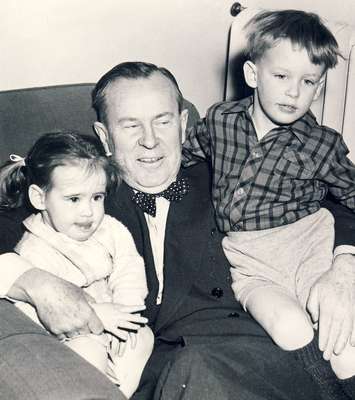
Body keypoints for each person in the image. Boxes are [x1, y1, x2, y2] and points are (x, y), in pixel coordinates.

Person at [1, 61, 355, 400]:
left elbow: (337, 203)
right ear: (105, 138)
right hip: (154, 370)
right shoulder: (83, 197)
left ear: (184, 125)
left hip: (251, 354)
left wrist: (344, 268)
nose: (150, 141)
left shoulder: (229, 175)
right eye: (131, 126)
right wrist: (34, 281)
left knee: (195, 368)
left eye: (163, 121)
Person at [181, 8, 355, 387]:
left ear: (320, 87)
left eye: (308, 82)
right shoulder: (219, 121)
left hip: (308, 247)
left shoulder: (322, 145)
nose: (294, 92)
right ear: (252, 74)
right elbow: (184, 155)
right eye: (281, 76)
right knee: (289, 328)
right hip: (249, 259)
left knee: (343, 345)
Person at [0, 131, 153, 398]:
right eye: (74, 199)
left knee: (142, 338)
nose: (88, 212)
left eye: (97, 197)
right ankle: (100, 388)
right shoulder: (33, 248)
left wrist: (126, 310)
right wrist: (96, 316)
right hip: (71, 337)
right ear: (39, 198)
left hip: (115, 319)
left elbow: (128, 266)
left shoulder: (111, 229)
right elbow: (34, 311)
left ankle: (120, 392)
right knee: (88, 351)